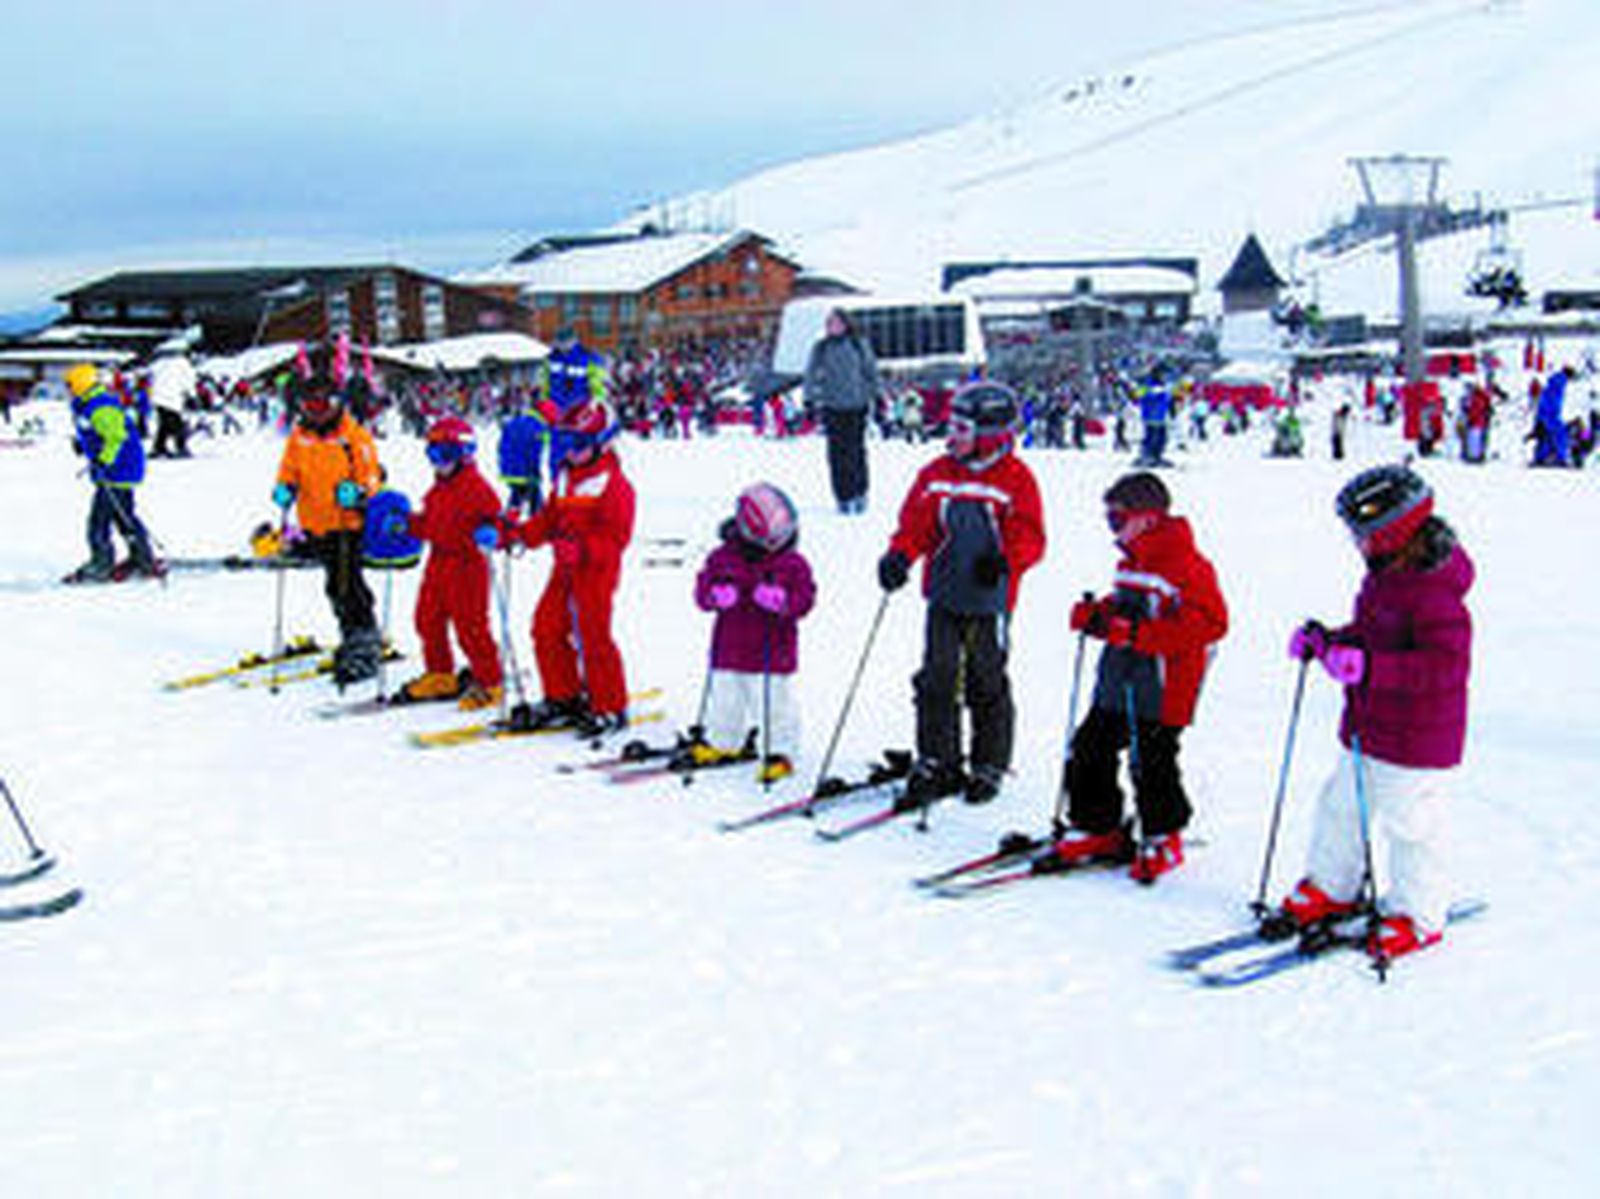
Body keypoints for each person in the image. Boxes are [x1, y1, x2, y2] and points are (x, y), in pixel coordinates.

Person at [1276, 465, 1473, 959]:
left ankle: (1420, 914)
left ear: (1394, 532)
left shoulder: (1437, 595)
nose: (1356, 545)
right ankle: (1332, 886)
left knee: (1413, 825)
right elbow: (1371, 639)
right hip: (1370, 728)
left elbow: (1444, 667)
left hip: (1418, 740)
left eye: (1362, 535)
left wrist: (1370, 668)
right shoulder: (1385, 580)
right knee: (1340, 806)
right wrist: (1329, 642)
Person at [1049, 471, 1228, 882]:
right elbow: (1125, 608)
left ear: (1147, 519)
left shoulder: (1188, 565)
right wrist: (1099, 617)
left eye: (1117, 519)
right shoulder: (1130, 563)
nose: (1111, 528)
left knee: (1152, 761)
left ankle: (1165, 835)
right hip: (1119, 681)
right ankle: (1098, 825)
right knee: (1090, 746)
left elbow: (1211, 624)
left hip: (1164, 688)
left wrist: (1141, 636)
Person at [877, 382, 1047, 808]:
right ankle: (939, 758)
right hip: (945, 593)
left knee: (984, 679)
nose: (950, 435)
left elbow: (1031, 536)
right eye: (951, 426)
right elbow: (917, 523)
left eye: (962, 428)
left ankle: (989, 761)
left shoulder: (1016, 479)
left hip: (990, 601)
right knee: (938, 675)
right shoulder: (937, 473)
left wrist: (1005, 560)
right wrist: (900, 555)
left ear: (990, 434)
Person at [506, 397, 635, 737]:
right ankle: (563, 696)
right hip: (563, 570)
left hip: (594, 573)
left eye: (579, 444)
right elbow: (548, 520)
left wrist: (582, 550)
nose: (571, 451)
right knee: (546, 627)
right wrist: (518, 535)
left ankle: (610, 706)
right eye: (565, 442)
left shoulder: (615, 485)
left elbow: (616, 540)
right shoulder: (565, 477)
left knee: (592, 636)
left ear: (601, 443)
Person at [689, 483, 817, 782]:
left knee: (774, 705)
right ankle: (723, 742)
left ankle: (780, 751)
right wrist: (714, 596)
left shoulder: (792, 564)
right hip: (729, 649)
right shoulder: (722, 558)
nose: (775, 543)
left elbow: (806, 598)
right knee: (724, 701)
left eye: (780, 535)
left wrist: (784, 602)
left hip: (771, 653)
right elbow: (701, 590)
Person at [272, 371, 385, 685]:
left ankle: (362, 637)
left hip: (347, 524)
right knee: (335, 583)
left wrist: (359, 494)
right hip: (316, 522)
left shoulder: (354, 436)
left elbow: (373, 476)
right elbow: (289, 469)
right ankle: (354, 631)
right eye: (310, 405)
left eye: (323, 404)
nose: (316, 411)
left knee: (345, 583)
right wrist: (285, 488)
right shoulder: (300, 436)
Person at [389, 416, 506, 710]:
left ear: (465, 454)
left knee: (471, 627)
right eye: (432, 455)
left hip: (468, 565)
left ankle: (490, 682)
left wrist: (491, 531)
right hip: (439, 561)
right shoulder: (439, 488)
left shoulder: (477, 488)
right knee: (427, 619)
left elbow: (497, 519)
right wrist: (408, 524)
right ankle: (441, 673)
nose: (438, 463)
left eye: (445, 455)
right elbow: (431, 524)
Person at [64, 362, 159, 582]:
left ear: (81, 384)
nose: (68, 390)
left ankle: (102, 563)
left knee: (99, 521)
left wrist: (104, 461)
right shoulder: (91, 404)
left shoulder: (100, 406)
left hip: (118, 470)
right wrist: (83, 445)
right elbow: (100, 432)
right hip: (119, 470)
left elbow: (116, 436)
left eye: (70, 385)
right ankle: (142, 557)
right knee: (123, 516)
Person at [804, 308, 881, 513]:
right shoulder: (821, 348)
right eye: (828, 323)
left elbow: (871, 371)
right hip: (832, 407)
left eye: (835, 322)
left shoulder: (858, 345)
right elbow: (810, 374)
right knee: (837, 454)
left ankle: (860, 492)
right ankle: (843, 495)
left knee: (855, 452)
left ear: (845, 324)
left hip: (857, 406)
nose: (831, 326)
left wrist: (878, 397)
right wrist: (809, 400)